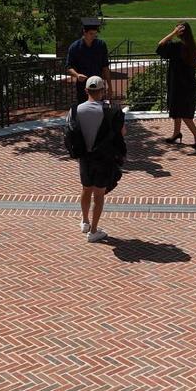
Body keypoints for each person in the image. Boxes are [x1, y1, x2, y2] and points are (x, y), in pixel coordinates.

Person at [67, 75, 126, 242]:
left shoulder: (75, 110)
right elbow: (122, 133)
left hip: (84, 158)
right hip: (104, 158)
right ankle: (93, 231)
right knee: (99, 195)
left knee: (86, 189)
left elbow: (70, 132)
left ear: (86, 90)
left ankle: (84, 222)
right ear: (102, 90)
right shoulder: (112, 111)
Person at [156, 22, 196, 146]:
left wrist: (173, 33)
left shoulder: (178, 47)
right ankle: (176, 133)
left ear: (180, 32)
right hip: (188, 85)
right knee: (178, 111)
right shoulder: (192, 47)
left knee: (184, 114)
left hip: (178, 85)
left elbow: (160, 46)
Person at [65, 19, 111, 104]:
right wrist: (77, 75)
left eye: (95, 34)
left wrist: (109, 85)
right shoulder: (75, 47)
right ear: (84, 32)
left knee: (98, 111)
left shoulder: (101, 45)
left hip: (98, 85)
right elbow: (68, 67)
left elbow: (105, 66)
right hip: (82, 86)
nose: (94, 36)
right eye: (91, 34)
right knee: (83, 111)